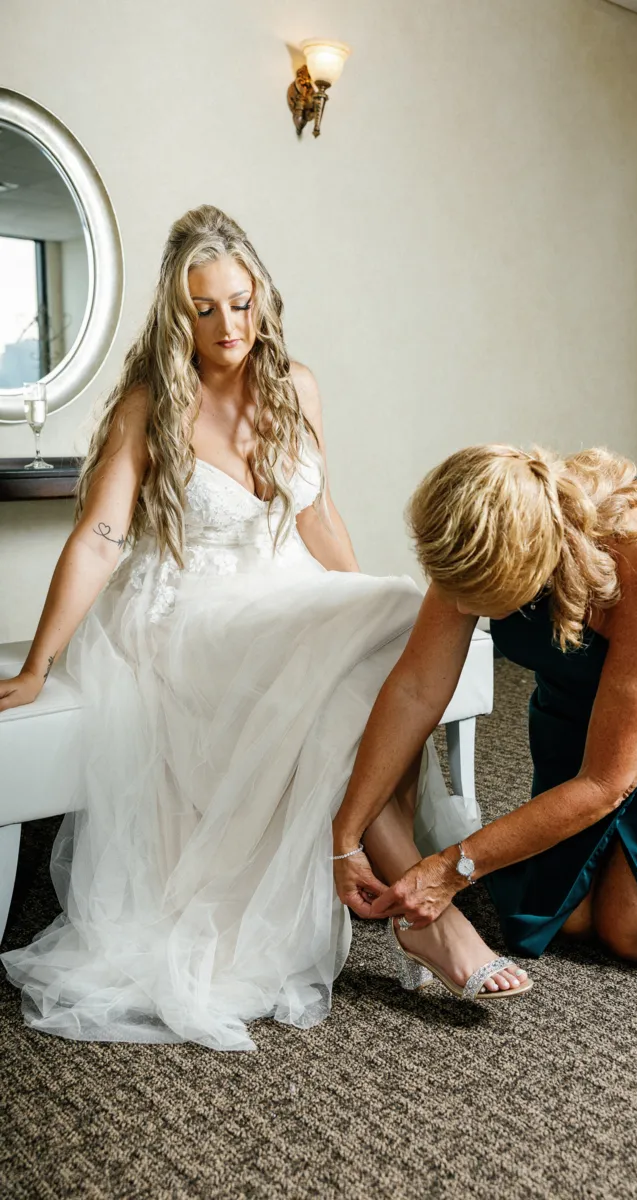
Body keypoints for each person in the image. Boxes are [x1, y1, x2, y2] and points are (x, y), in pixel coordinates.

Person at [0, 208, 529, 1052]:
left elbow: (318, 515)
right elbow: (100, 538)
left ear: (264, 299)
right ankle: (430, 916)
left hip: (281, 588)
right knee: (343, 677)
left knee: (395, 620)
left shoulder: (298, 386)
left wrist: (359, 609)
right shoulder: (150, 404)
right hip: (188, 612)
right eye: (204, 309)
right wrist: (37, 666)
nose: (227, 326)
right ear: (179, 313)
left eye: (240, 303)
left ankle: (397, 886)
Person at [332, 444, 637, 987]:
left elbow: (605, 781)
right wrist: (347, 832)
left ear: (535, 561)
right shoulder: (476, 533)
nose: (458, 611)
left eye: (480, 600)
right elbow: (415, 692)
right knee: (564, 915)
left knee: (631, 928)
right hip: (579, 694)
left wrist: (455, 866)